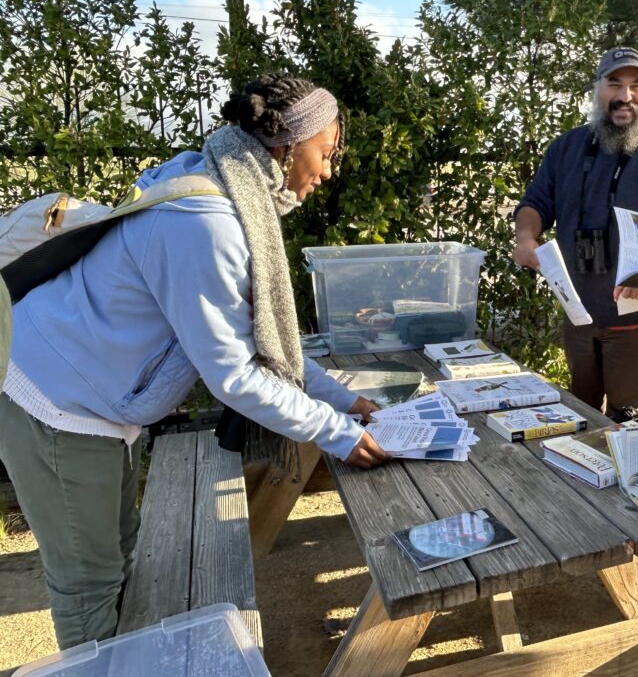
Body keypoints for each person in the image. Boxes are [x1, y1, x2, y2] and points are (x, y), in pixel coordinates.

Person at [0, 74, 390, 649]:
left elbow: (267, 339)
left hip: (99, 399)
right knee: (90, 582)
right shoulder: (205, 224)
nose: (328, 171)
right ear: (285, 147)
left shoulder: (224, 188)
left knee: (121, 548)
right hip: (56, 402)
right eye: (326, 153)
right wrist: (338, 433)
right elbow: (233, 374)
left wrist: (345, 400)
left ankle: (119, 659)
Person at [512, 47, 638, 418]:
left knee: (634, 430)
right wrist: (525, 238)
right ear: (597, 89)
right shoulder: (567, 147)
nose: (625, 96)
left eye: (636, 85)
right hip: (579, 317)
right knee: (581, 423)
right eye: (614, 83)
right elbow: (535, 203)